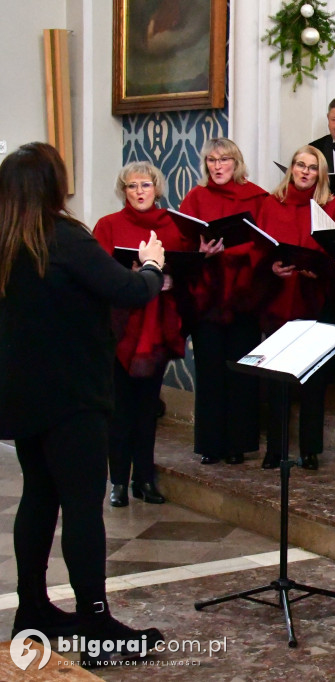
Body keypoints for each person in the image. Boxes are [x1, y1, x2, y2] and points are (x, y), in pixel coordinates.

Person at [0, 142, 163, 659]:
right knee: (81, 507)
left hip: (21, 393)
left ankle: (33, 610)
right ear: (53, 186)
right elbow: (130, 291)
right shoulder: (63, 237)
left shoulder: (5, 239)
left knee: (39, 495)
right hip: (73, 395)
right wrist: (152, 267)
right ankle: (96, 624)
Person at [93, 162, 187, 508]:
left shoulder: (171, 227)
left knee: (147, 409)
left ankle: (144, 479)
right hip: (121, 328)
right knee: (119, 410)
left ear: (156, 188)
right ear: (124, 191)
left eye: (145, 185)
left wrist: (171, 280)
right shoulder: (108, 225)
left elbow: (186, 273)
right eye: (131, 186)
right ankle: (117, 480)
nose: (139, 192)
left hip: (157, 326)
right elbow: (97, 275)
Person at [254, 145, 335, 471]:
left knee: (313, 379)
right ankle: (274, 448)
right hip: (279, 297)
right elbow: (259, 248)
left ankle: (310, 449)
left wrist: (321, 269)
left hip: (315, 299)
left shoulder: (331, 207)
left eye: (312, 168)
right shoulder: (271, 203)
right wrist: (272, 269)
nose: (305, 172)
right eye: (300, 165)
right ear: (291, 168)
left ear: (320, 174)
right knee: (276, 377)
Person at [179, 138, 267, 466]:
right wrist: (201, 254)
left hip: (244, 295)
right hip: (208, 297)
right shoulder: (196, 197)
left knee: (241, 373)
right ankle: (210, 445)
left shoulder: (256, 197)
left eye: (224, 160)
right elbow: (182, 240)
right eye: (212, 160)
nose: (217, 166)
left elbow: (266, 243)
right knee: (210, 372)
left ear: (236, 162)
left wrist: (239, 253)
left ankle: (238, 445)